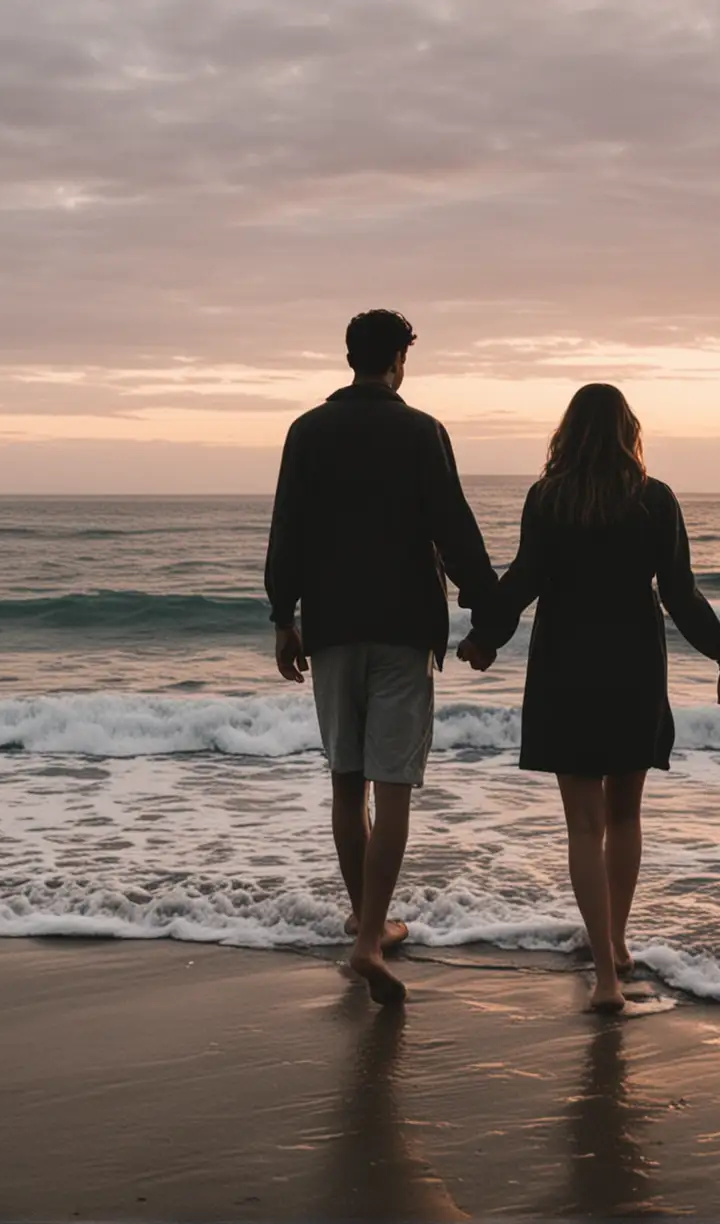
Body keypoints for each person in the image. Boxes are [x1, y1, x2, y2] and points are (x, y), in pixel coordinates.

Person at [457, 383, 720, 1014]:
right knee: (625, 818)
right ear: (628, 432)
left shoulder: (548, 498)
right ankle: (615, 945)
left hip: (565, 668)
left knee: (584, 827)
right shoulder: (654, 500)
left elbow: (524, 580)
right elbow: (681, 595)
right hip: (634, 669)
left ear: (569, 433)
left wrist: (485, 638)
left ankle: (607, 980)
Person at [265, 308, 502, 1006]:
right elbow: (455, 530)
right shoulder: (422, 431)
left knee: (347, 782)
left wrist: (285, 616)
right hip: (402, 629)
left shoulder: (306, 431)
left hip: (332, 628)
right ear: (399, 358)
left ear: (349, 357)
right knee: (392, 785)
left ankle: (365, 922)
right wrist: (486, 616)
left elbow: (288, 530)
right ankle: (372, 935)